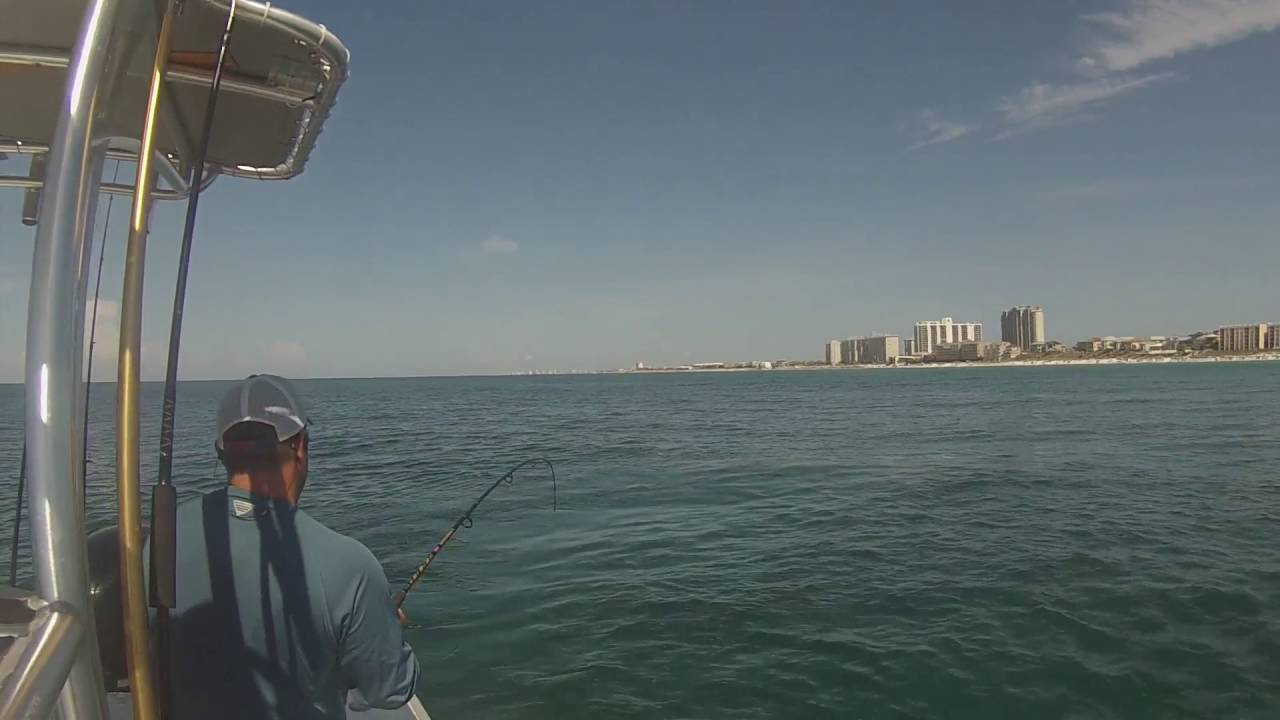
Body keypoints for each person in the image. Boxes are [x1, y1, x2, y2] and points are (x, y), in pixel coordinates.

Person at [159, 374, 420, 719]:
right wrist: (384, 633)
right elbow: (391, 690)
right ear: (299, 446)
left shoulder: (160, 540)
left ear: (221, 452)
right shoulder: (348, 564)